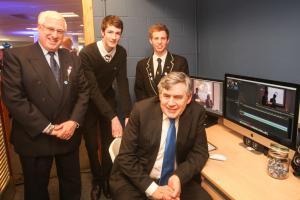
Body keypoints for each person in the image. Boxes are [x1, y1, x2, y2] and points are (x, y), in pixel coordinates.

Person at [1, 10, 89, 200]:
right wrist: (48, 128)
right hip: (35, 137)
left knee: (72, 184)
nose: (55, 35)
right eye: (50, 29)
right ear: (39, 28)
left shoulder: (72, 58)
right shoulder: (16, 56)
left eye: (60, 31)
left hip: (68, 134)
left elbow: (84, 93)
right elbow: (14, 99)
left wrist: (73, 122)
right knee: (36, 189)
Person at [110, 72, 211, 200]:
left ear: (189, 98)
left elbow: (200, 153)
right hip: (137, 178)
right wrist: (153, 189)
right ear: (160, 95)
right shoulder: (141, 111)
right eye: (166, 96)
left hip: (175, 180)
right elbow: (125, 157)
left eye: (178, 97)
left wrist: (179, 176)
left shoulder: (196, 113)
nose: (171, 103)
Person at [79, 15, 132, 200]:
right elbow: (92, 90)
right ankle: (97, 179)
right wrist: (113, 117)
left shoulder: (121, 53)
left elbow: (123, 83)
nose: (114, 36)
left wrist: (126, 113)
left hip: (108, 101)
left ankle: (108, 179)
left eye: (118, 33)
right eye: (110, 32)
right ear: (102, 32)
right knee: (92, 145)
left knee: (110, 142)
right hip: (88, 103)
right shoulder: (86, 53)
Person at [134, 23, 189, 102]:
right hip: (149, 111)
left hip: (172, 109)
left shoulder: (180, 62)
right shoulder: (141, 65)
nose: (159, 42)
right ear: (150, 40)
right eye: (156, 38)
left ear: (168, 40)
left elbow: (184, 89)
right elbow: (139, 91)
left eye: (163, 38)